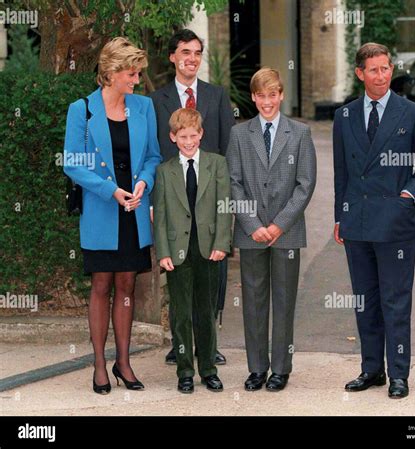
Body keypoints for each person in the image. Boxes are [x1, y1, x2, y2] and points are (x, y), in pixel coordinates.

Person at [333, 42, 415, 399]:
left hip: (395, 224)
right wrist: (339, 216)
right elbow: (342, 173)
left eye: (386, 68)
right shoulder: (344, 116)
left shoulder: (412, 113)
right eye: (374, 70)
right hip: (357, 222)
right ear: (360, 74)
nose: (382, 75)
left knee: (395, 300)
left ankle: (399, 374)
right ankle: (371, 369)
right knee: (365, 300)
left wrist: (407, 196)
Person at [63, 37, 161, 394]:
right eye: (131, 74)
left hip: (133, 211)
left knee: (127, 285)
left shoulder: (144, 107)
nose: (136, 80)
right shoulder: (82, 110)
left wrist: (142, 185)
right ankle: (99, 365)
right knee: (101, 284)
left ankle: (123, 362)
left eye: (137, 74)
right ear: (111, 72)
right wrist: (111, 191)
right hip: (102, 209)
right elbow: (74, 163)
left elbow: (152, 156)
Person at [226, 67, 316, 392]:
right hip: (251, 233)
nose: (267, 101)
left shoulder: (300, 133)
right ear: (253, 97)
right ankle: (257, 368)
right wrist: (253, 224)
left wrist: (279, 224)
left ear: (281, 95)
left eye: (272, 94)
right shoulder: (239, 135)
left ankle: (280, 368)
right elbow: (233, 183)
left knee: (283, 299)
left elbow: (305, 185)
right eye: (261, 95)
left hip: (286, 232)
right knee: (253, 300)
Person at [150, 28, 235, 366]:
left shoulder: (217, 96)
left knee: (213, 276)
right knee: (180, 273)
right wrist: (157, 201)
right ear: (172, 56)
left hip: (211, 199)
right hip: (175, 195)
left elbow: (229, 149)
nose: (192, 58)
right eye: (185, 51)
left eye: (198, 52)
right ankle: (181, 344)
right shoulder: (157, 100)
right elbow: (155, 151)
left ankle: (208, 343)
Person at [154, 108, 232, 393]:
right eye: (183, 136)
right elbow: (160, 214)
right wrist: (163, 251)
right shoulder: (164, 171)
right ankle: (185, 370)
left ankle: (209, 369)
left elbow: (225, 206)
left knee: (206, 311)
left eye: (193, 135)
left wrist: (222, 243)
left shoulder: (217, 164)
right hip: (177, 251)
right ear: (173, 137)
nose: (189, 141)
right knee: (181, 313)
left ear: (201, 134)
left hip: (208, 248)